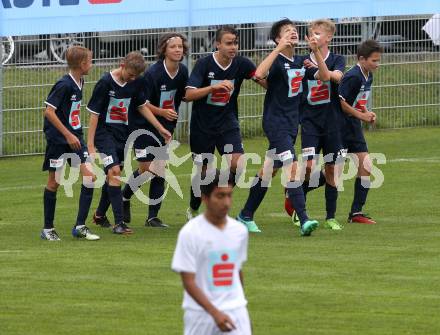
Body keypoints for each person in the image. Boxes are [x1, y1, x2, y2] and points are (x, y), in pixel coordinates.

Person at [236, 18, 329, 236]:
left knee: (268, 170)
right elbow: (258, 74)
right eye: (287, 31)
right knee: (293, 167)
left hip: (291, 124)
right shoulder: (276, 60)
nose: (293, 33)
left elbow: (324, 77)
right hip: (275, 123)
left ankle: (245, 214)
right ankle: (304, 219)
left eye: (295, 31)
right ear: (278, 39)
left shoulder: (301, 61)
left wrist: (315, 53)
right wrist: (278, 49)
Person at [184, 25, 266, 225]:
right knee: (204, 173)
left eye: (235, 43)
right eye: (228, 43)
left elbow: (261, 79)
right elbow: (187, 95)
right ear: (217, 44)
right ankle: (195, 205)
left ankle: (218, 197)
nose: (233, 47)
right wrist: (213, 87)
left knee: (238, 164)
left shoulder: (242, 64)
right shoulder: (203, 64)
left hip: (228, 124)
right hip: (202, 126)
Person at [87, 51, 171, 235]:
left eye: (136, 76)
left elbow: (141, 106)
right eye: (130, 74)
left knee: (113, 174)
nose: (132, 79)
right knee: (115, 172)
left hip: (123, 134)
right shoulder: (105, 83)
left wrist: (159, 127)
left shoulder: (136, 82)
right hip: (104, 134)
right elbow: (94, 114)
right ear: (122, 65)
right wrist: (91, 144)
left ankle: (100, 215)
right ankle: (119, 223)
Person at [121, 33, 189, 228]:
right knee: (146, 170)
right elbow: (142, 103)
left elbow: (183, 96)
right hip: (143, 126)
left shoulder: (183, 72)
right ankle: (124, 198)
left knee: (159, 170)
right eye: (173, 46)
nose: (178, 50)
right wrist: (162, 112)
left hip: (165, 128)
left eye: (180, 46)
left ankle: (152, 217)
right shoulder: (153, 74)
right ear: (164, 50)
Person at [172, 169, 251, 335]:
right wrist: (215, 313)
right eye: (220, 196)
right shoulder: (190, 233)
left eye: (229, 195)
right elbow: (188, 281)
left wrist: (239, 304)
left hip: (235, 312)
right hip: (201, 316)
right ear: (205, 198)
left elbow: (236, 270)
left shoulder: (239, 231)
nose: (227, 202)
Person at [285, 19, 346, 230]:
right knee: (309, 167)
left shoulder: (338, 59)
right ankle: (295, 201)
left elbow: (331, 78)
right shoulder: (301, 60)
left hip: (333, 123)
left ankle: (330, 216)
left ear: (329, 37)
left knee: (332, 170)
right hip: (310, 122)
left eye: (318, 33)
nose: (314, 36)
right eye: (311, 33)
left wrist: (317, 56)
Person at [41, 46, 99, 241]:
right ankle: (48, 229)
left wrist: (74, 135)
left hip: (75, 139)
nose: (92, 64)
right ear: (82, 64)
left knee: (90, 177)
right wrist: (67, 135)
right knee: (54, 182)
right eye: (90, 61)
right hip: (59, 141)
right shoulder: (64, 84)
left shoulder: (80, 81)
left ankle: (80, 226)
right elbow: (48, 112)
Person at [338, 39, 383, 224]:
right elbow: (341, 103)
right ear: (362, 59)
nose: (377, 64)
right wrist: (361, 116)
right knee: (333, 172)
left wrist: (366, 113)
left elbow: (357, 101)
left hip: (353, 127)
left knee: (366, 165)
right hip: (340, 127)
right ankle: (298, 191)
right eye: (374, 60)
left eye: (378, 60)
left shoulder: (368, 75)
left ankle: (356, 213)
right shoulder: (353, 76)